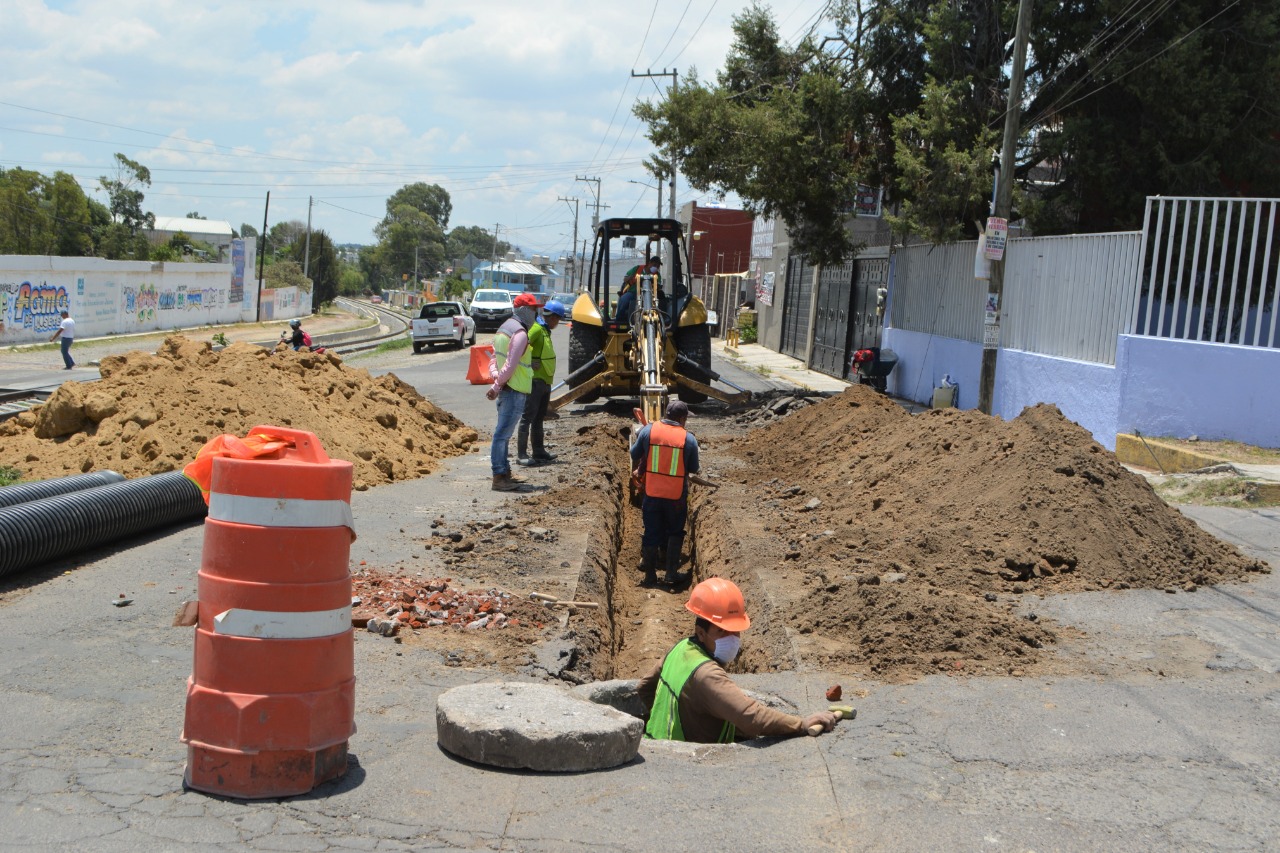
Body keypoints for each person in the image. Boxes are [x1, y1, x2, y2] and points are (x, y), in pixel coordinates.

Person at [638, 577, 840, 743]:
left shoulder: (680, 648)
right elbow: (750, 716)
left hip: (658, 743)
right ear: (701, 633)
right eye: (721, 631)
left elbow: (645, 688)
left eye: (735, 631)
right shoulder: (707, 675)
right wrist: (800, 724)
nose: (731, 639)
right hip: (688, 768)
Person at [629, 399, 698, 588]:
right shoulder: (688, 439)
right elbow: (693, 467)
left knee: (651, 532)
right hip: (675, 497)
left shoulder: (648, 431)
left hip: (651, 494)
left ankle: (650, 576)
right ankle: (671, 573)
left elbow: (634, 455)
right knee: (675, 531)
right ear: (683, 418)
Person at [487, 293, 538, 492]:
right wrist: (497, 386)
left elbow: (494, 360)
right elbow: (509, 365)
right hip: (514, 391)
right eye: (534, 310)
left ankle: (505, 472)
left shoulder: (503, 329)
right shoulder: (520, 333)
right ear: (524, 311)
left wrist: (495, 380)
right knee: (502, 435)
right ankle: (499, 476)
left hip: (507, 390)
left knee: (503, 434)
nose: (536, 314)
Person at [517, 299, 565, 467]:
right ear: (551, 317)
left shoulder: (545, 330)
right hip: (535, 381)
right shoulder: (537, 329)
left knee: (539, 418)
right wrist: (529, 363)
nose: (557, 323)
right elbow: (520, 347)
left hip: (545, 381)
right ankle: (521, 454)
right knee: (527, 417)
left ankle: (539, 451)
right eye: (557, 319)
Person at [615, 256, 661, 323]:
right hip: (633, 293)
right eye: (654, 265)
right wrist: (632, 277)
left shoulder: (657, 275)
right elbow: (625, 279)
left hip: (650, 295)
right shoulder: (637, 269)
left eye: (658, 266)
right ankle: (619, 320)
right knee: (624, 299)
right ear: (649, 263)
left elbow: (659, 285)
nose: (656, 267)